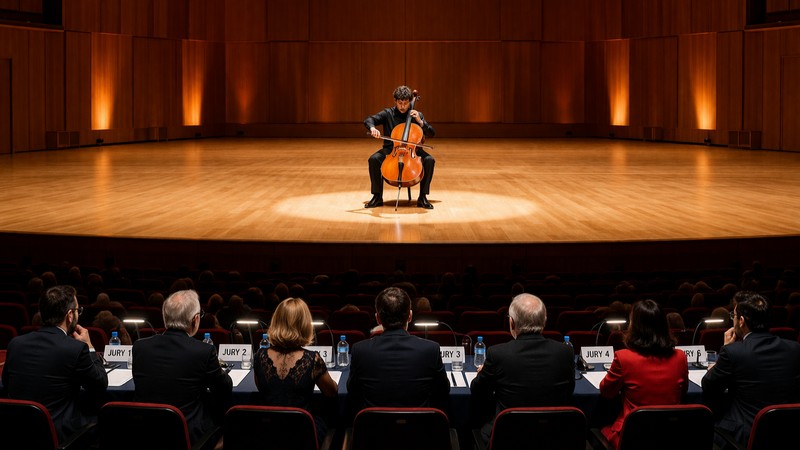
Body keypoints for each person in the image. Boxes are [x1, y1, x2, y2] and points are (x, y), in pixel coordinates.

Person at [1, 285, 108, 443]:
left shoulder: (16, 344)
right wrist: (90, 347)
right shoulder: (76, 348)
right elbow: (100, 384)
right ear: (70, 315)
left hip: (16, 433)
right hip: (59, 435)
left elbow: (7, 384)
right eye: (78, 310)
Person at [469, 293, 575, 447]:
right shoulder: (565, 352)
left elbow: (477, 391)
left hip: (507, 438)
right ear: (544, 322)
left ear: (511, 322)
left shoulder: (498, 353)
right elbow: (569, 390)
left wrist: (481, 374)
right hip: (552, 437)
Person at [132, 289, 232, 445]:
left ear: (165, 318)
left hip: (145, 433)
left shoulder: (140, 347)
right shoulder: (203, 351)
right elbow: (223, 388)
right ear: (195, 319)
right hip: (188, 436)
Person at [702, 291, 800, 447]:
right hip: (786, 434)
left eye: (733, 316)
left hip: (744, 436)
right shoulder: (795, 349)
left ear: (741, 321)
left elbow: (709, 386)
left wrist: (725, 350)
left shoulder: (733, 351)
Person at [599, 299, 689, 449]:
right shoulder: (680, 357)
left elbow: (606, 391)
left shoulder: (623, 357)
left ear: (634, 327)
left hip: (631, 437)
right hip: (670, 436)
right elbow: (683, 392)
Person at [347, 287, 449, 416]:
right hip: (420, 431)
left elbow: (352, 391)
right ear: (410, 316)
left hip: (373, 432)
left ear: (378, 318)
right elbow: (443, 391)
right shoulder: (431, 349)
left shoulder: (360, 350)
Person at [253, 297, 338, 442]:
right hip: (302, 433)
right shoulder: (313, 359)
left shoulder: (259, 356)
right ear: (304, 325)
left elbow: (261, 388)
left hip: (267, 432)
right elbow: (332, 393)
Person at [364, 85, 436, 209]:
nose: (402, 106)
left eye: (406, 103)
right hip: (391, 149)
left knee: (429, 160)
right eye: (400, 103)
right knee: (374, 159)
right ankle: (377, 197)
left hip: (413, 150)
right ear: (395, 101)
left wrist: (420, 122)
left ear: (409, 102)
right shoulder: (388, 113)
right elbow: (369, 119)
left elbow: (431, 133)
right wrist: (372, 128)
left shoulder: (416, 115)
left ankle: (422, 197)